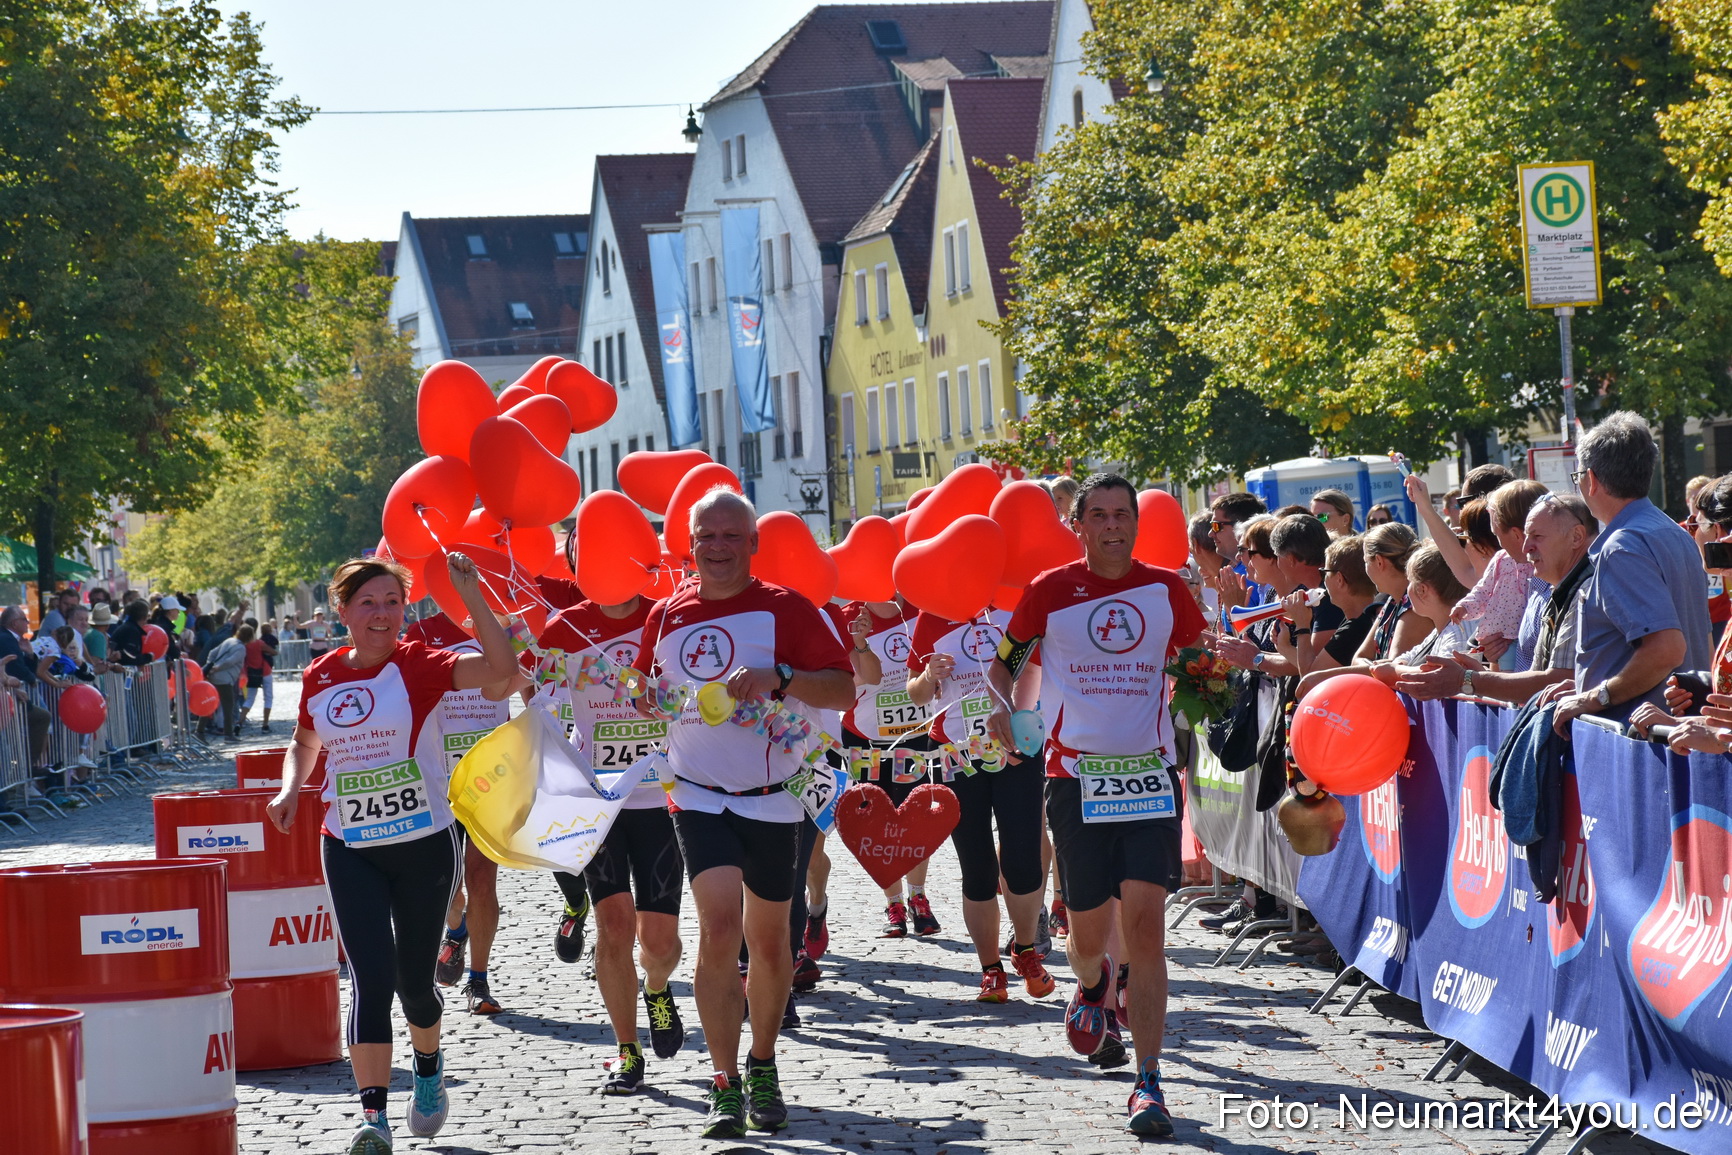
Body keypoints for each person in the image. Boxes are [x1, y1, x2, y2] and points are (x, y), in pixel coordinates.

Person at [265, 552, 518, 1155]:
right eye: (368, 603)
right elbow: (304, 742)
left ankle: (428, 1068)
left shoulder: (421, 664)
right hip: (349, 844)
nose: (382, 614)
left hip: (423, 844)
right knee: (370, 979)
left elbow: (503, 672)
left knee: (414, 983)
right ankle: (373, 1118)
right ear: (342, 610)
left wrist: (471, 597)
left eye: (393, 602)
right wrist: (290, 787)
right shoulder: (321, 674)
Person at [986, 473, 1205, 1136]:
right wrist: (1001, 710)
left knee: (1146, 926)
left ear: (1137, 523)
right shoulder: (1049, 591)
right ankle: (1091, 984)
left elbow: (1199, 664)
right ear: (1078, 525)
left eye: (1123, 514)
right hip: (1076, 779)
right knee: (1087, 940)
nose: (1113, 525)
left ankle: (1148, 1081)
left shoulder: (1167, 590)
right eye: (1100, 515)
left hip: (1149, 776)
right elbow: (1003, 666)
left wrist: (1216, 669)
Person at [638, 488, 853, 1138]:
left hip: (773, 797)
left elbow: (843, 688)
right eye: (707, 535)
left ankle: (763, 1061)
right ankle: (724, 1081)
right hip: (697, 794)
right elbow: (649, 692)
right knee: (719, 928)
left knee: (769, 941)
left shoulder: (786, 608)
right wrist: (648, 700)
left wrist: (779, 676)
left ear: (753, 544)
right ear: (689, 545)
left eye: (732, 535)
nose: (718, 547)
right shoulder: (666, 614)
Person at [539, 589, 687, 1094]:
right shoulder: (565, 626)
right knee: (615, 925)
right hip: (598, 799)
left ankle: (657, 985)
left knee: (660, 943)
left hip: (659, 797)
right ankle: (627, 1050)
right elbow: (527, 686)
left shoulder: (667, 614)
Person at [907, 594, 1054, 1005]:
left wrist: (1018, 721)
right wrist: (927, 676)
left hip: (1016, 746)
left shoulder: (1014, 605)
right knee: (977, 865)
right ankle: (991, 969)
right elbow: (915, 694)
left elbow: (1037, 668)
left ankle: (1025, 949)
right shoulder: (933, 613)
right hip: (956, 752)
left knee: (1023, 859)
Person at [1553, 413, 1712, 733]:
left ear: (1591, 479)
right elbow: (1701, 641)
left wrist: (1594, 697)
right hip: (1675, 733)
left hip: (1636, 741)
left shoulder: (1622, 547)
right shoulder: (1675, 533)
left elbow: (1666, 650)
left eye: (1578, 476)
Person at [404, 610, 514, 1018]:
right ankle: (456, 928)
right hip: (438, 779)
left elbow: (534, 684)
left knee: (482, 880)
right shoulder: (421, 632)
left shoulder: (504, 625)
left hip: (492, 777)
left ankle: (479, 980)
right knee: (447, 887)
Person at [1400, 493, 1597, 704]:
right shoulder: (1556, 591)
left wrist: (1468, 680)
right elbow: (1536, 679)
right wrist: (1480, 675)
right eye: (1526, 536)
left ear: (1576, 536)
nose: (1526, 547)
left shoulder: (1585, 591)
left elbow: (1557, 681)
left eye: (1537, 536)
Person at [839, 596, 939, 938]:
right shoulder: (848, 616)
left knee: (917, 817)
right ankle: (893, 903)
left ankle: (918, 897)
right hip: (864, 736)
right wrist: (858, 643)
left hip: (916, 734)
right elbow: (845, 681)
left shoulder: (923, 610)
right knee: (876, 822)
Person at [1452, 480, 1548, 669]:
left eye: (1496, 535)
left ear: (1516, 535)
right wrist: (1465, 606)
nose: (1499, 544)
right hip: (1501, 638)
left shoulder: (1543, 570)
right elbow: (1483, 590)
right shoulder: (1501, 560)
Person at [0, 608, 58, 804]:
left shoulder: (13, 639)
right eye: (24, 619)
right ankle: (26, 768)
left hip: (11, 696)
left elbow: (24, 666)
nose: (27, 623)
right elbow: (15, 668)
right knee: (40, 718)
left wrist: (30, 654)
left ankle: (26, 768)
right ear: (14, 623)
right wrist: (29, 679)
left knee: (41, 718)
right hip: (8, 699)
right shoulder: (6, 638)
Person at [202, 624, 248, 740]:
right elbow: (230, 661)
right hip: (225, 679)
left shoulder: (229, 640)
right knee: (228, 706)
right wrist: (218, 667)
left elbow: (212, 652)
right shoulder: (241, 648)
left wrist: (210, 665)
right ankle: (228, 734)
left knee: (209, 704)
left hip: (213, 676)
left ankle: (199, 731)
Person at [241, 617, 278, 733]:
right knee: (268, 697)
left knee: (250, 699)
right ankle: (265, 724)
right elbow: (274, 652)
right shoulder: (259, 643)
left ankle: (239, 722)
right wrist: (266, 652)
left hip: (252, 673)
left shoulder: (243, 645)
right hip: (265, 671)